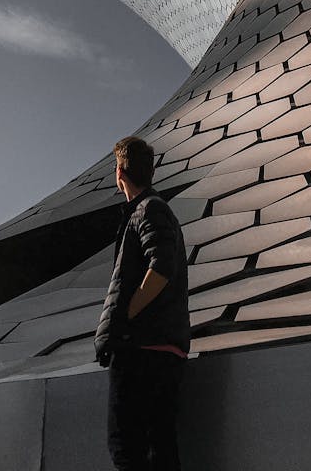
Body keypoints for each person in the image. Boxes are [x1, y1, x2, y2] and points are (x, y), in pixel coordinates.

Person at [94, 136, 190, 471]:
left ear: (119, 171)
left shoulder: (149, 209)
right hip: (158, 349)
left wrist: (127, 318)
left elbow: (162, 266)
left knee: (127, 447)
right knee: (158, 449)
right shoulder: (149, 211)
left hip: (142, 351)